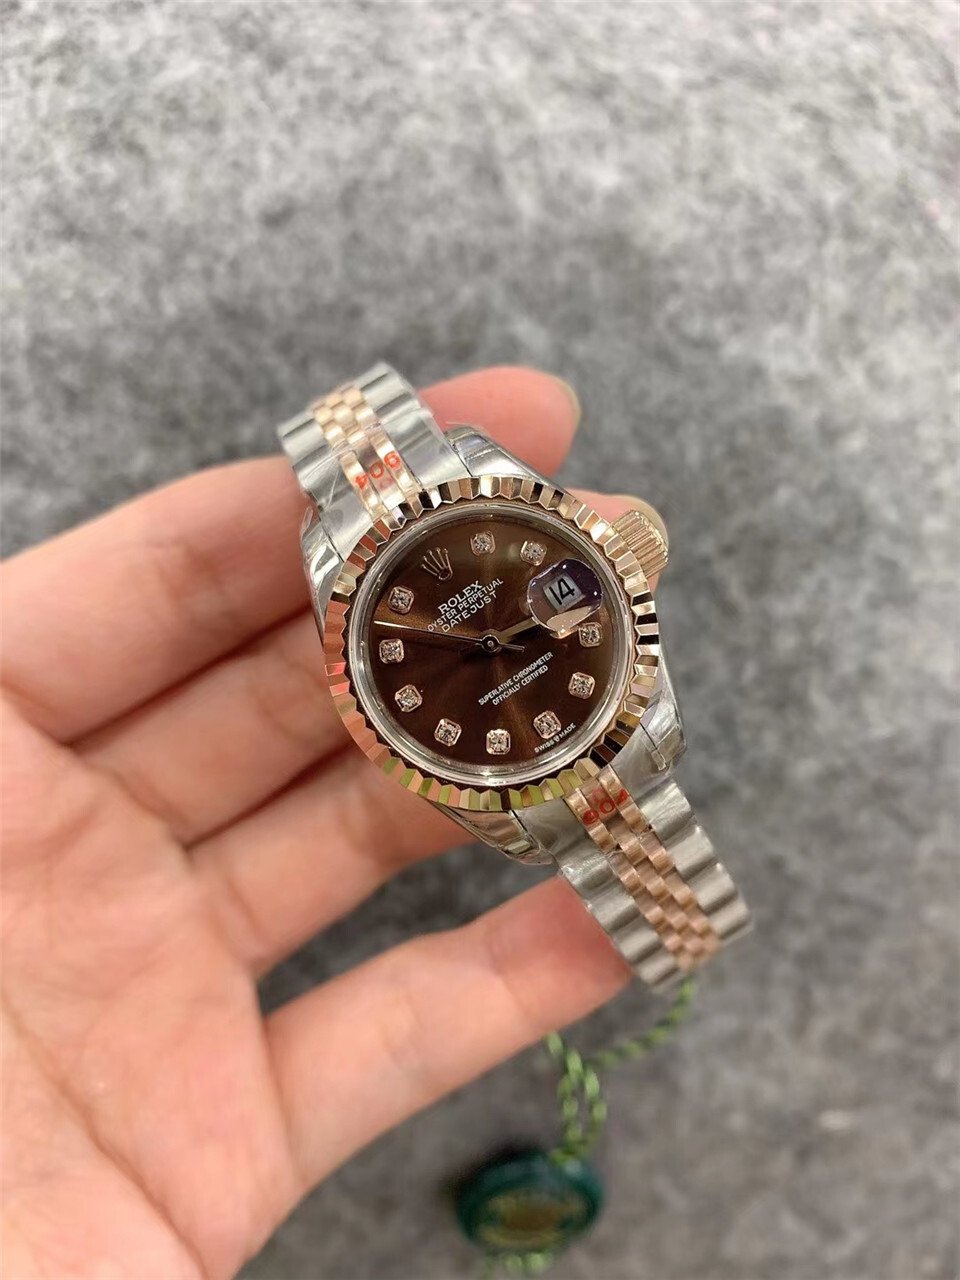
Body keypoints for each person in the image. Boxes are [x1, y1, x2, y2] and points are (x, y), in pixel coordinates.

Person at [2, 366, 666, 1278]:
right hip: (513, 754)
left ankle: (675, 930)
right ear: (371, 708)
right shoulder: (360, 623)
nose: (487, 645)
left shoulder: (487, 534)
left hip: (595, 711)